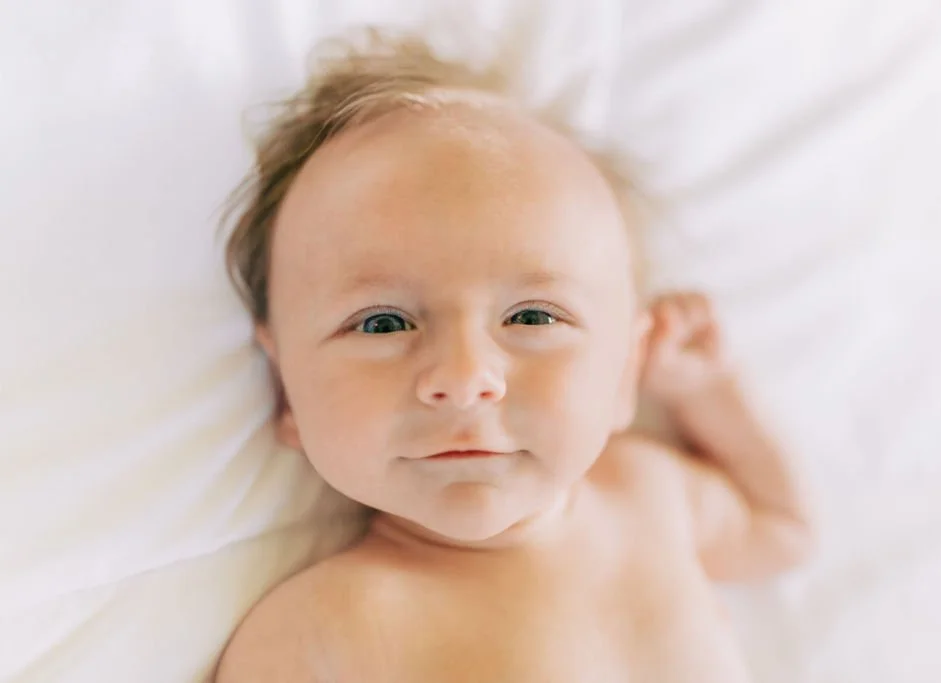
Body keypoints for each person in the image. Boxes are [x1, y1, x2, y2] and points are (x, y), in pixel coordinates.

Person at [215, 32, 813, 682]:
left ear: (624, 376)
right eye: (383, 322)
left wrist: (709, 393)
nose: (466, 378)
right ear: (285, 392)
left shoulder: (649, 497)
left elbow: (781, 527)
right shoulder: (318, 632)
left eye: (532, 316)